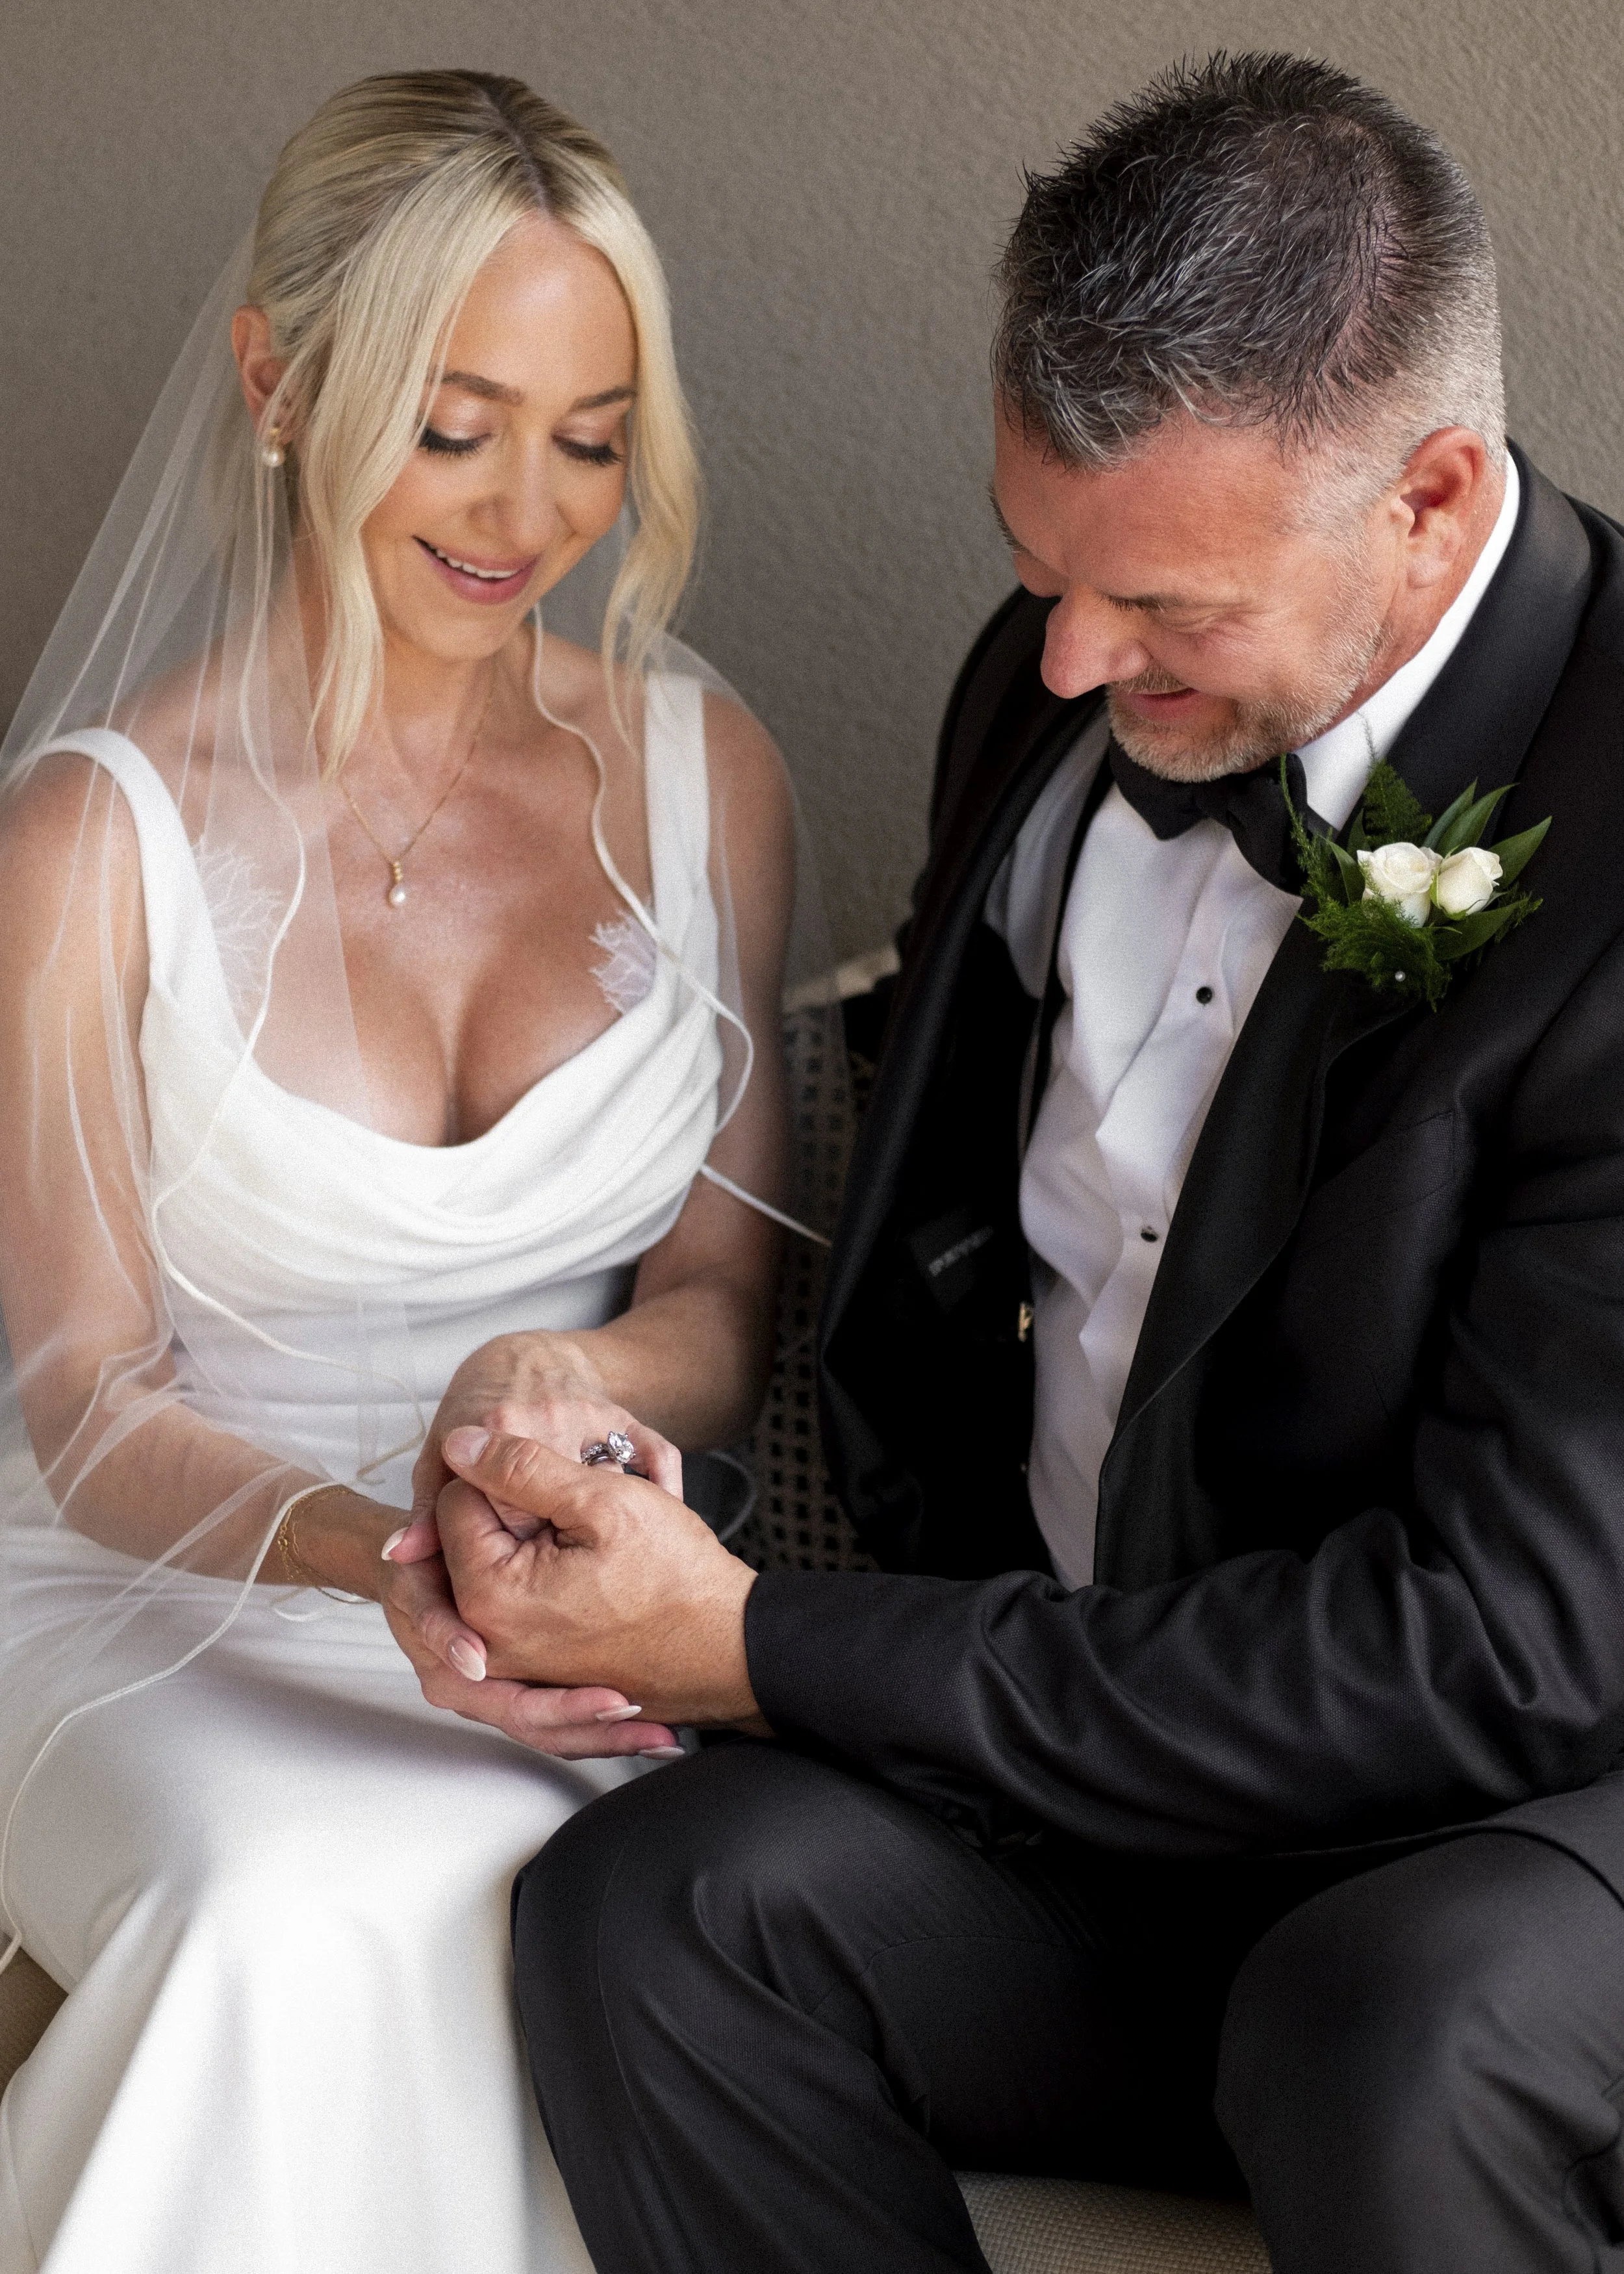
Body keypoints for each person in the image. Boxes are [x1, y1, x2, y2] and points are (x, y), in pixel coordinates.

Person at [427, 54, 1624, 2274]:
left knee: (1390, 2031)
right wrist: (632, 1525)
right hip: (1088, 1777)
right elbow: (938, 1295)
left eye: (1161, 604)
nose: (1072, 658)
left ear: (1433, 498)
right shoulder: (1057, 687)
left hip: (1513, 1831)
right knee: (654, 1905)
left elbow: (1512, 1648)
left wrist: (776, 1648)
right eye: (1034, 566)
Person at [0, 67, 824, 2274]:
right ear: (281, 383)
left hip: (573, 1596)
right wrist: (389, 1557)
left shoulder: (698, 766)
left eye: (586, 431)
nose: (522, 508)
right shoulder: (93, 840)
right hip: (170, 1595)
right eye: (453, 422)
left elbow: (725, 1307)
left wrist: (550, 1388)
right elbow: (81, 1396)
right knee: (289, 1910)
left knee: (657, 1893)